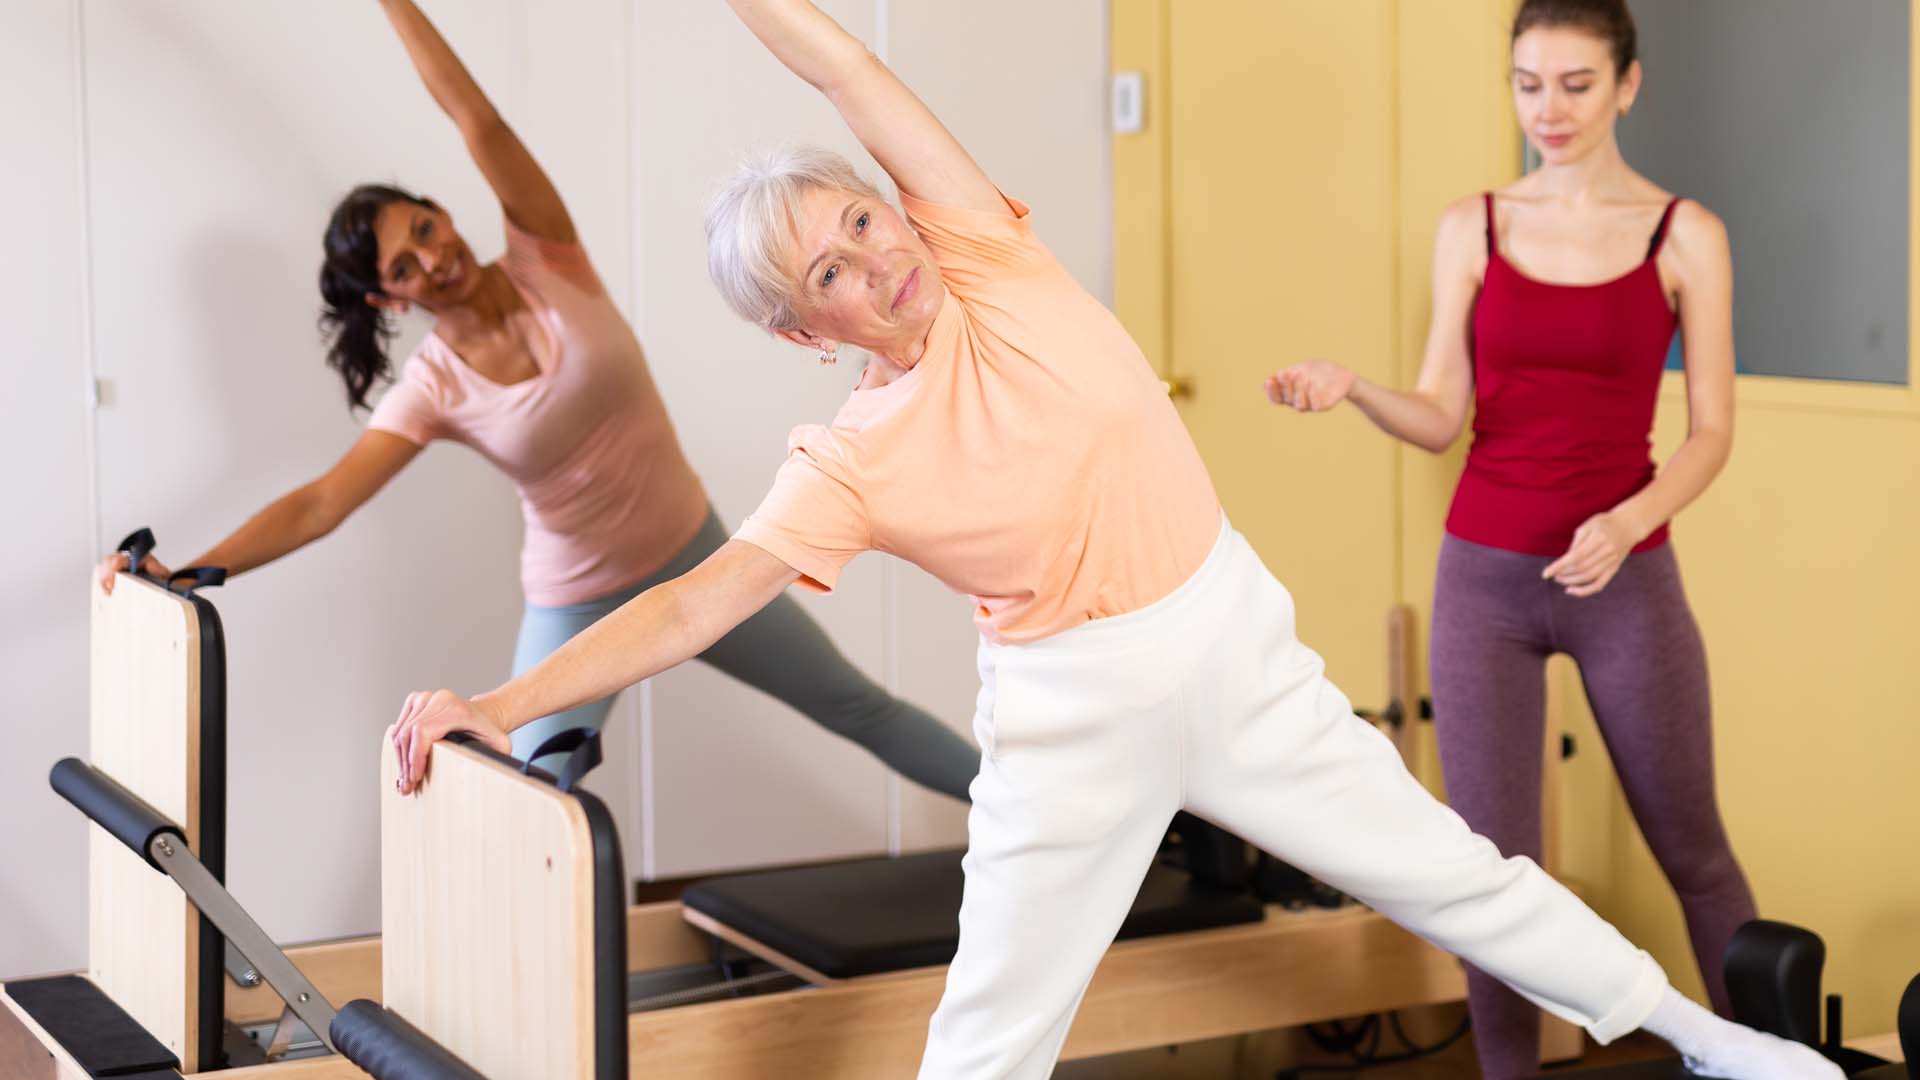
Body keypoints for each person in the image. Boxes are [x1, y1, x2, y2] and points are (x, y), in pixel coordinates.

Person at [389, 2, 1833, 1077]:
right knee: (989, 1035)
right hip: (1071, 717)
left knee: (1460, 877)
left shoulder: (984, 252)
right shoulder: (843, 460)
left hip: (1228, 646)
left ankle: (1702, 1037)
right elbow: (694, 604)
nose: (874, 262)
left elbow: (838, 63)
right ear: (801, 330)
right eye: (828, 272)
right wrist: (500, 704)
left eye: (858, 221)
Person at [95, 0, 975, 798]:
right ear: (388, 301)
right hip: (577, 598)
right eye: (404, 268)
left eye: (425, 231)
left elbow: (473, 117)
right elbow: (324, 500)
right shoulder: (434, 388)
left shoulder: (547, 256)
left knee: (860, 709)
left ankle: (1065, 829)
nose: (432, 259)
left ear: (442, 211)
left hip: (696, 554)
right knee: (522, 790)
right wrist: (188, 571)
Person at [1266, 2, 1750, 1073]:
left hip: (1625, 581)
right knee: (1493, 876)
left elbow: (1712, 431)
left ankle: (1764, 1061)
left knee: (1696, 854)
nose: (1550, 109)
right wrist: (1356, 391)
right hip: (1482, 583)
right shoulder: (1472, 226)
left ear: (1628, 86)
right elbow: (1443, 411)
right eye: (1528, 83)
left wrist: (1628, 523)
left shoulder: (1687, 236)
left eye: (1576, 84)